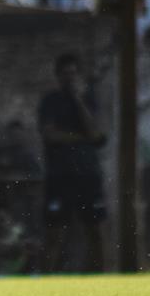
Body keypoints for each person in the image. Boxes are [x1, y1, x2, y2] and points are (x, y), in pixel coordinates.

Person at [38, 53, 108, 272]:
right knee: (55, 232)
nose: (69, 78)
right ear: (58, 75)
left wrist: (78, 100)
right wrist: (82, 138)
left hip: (88, 176)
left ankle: (98, 277)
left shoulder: (89, 100)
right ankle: (48, 279)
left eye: (73, 73)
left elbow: (96, 134)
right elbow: (50, 135)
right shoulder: (50, 102)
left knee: (94, 231)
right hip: (60, 176)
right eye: (65, 74)